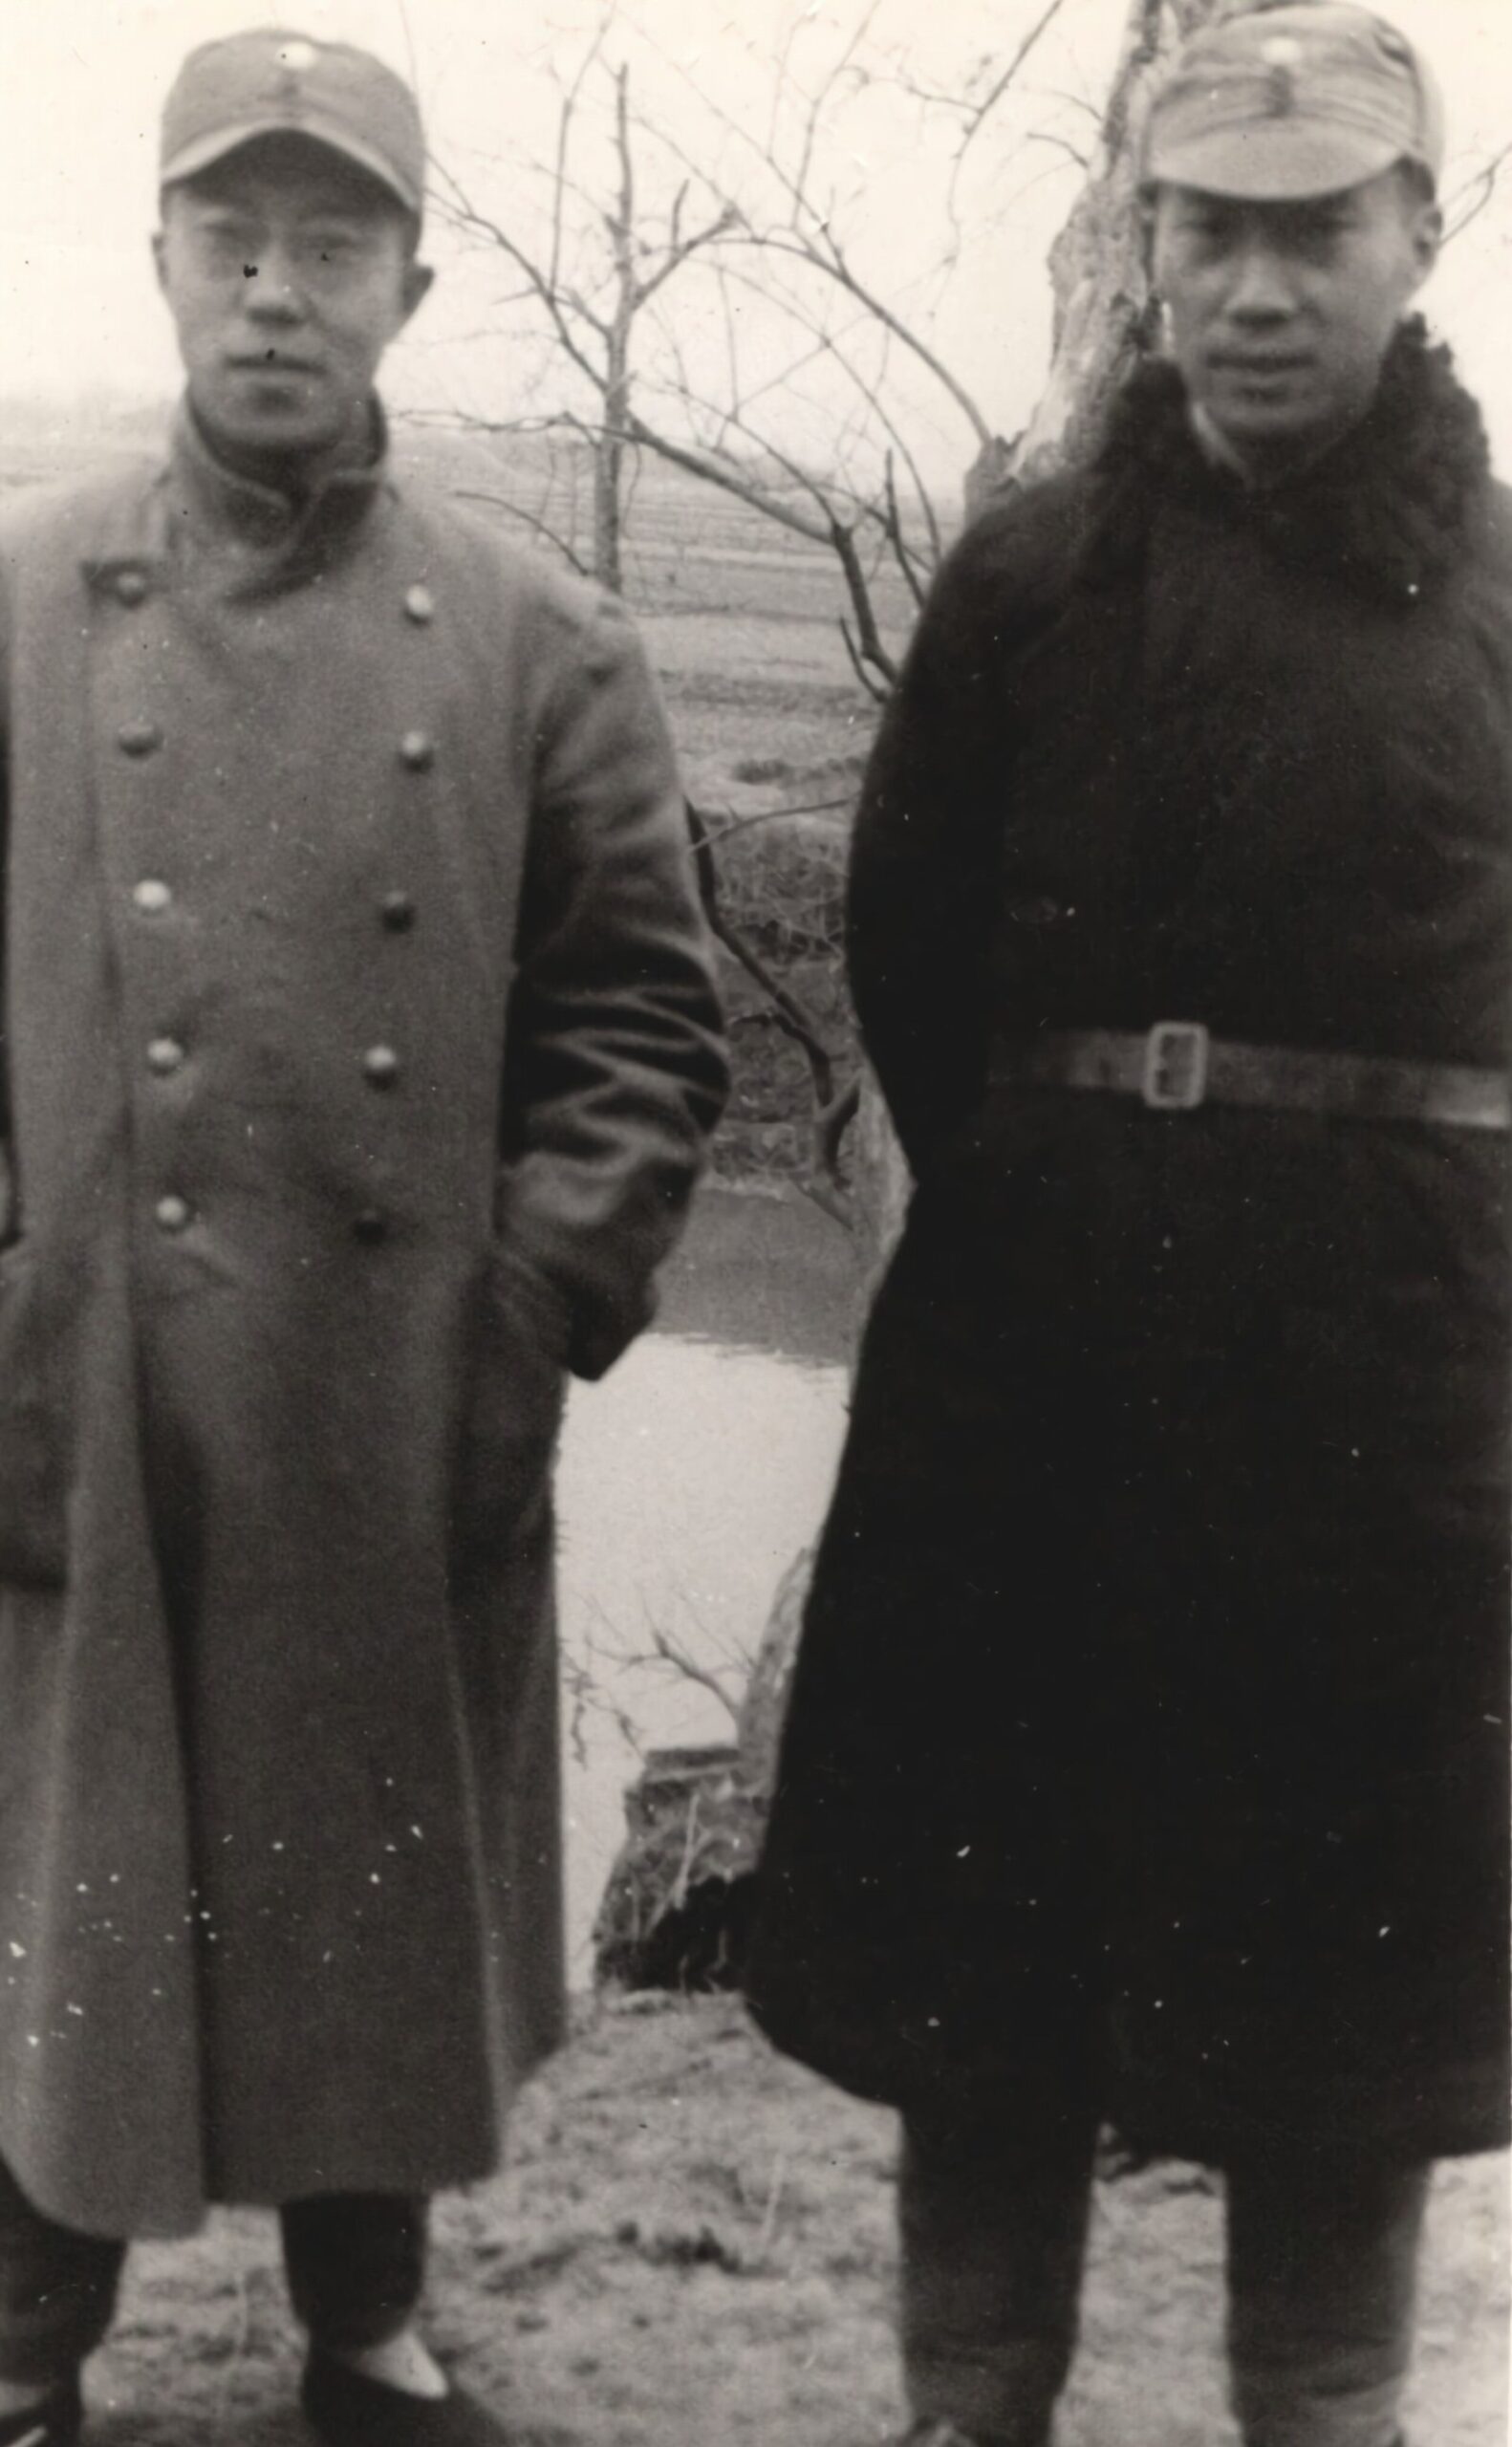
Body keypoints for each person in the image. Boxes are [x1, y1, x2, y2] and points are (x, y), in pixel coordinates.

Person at [745, 8, 1510, 2444]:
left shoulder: (1500, 598)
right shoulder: (1029, 574)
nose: (1258, 289)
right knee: (991, 1966)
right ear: (1147, 251)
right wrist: (1072, 1200)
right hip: (1035, 1384)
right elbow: (910, 946)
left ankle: (1328, 2415)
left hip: (1387, 1411)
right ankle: (968, 2407)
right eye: (1210, 232)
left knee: (1344, 2004)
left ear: (1419, 234)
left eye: (1315, 231)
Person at [0, 29, 725, 2447]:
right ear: (166, 265)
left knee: (363, 1864)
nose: (277, 294)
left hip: (388, 1377)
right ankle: (24, 2347)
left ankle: (366, 2331)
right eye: (237, 240)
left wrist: (524, 1313)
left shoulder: (536, 638)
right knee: (62, 1871)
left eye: (332, 246)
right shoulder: (12, 600)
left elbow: (640, 1027)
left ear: (410, 286)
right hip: (87, 1370)